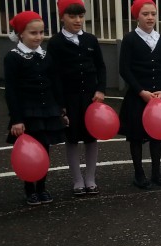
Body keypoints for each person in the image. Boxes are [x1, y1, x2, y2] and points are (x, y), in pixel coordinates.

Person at [4, 11, 66, 206]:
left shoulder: (46, 56)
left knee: (44, 149)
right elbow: (11, 90)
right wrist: (17, 119)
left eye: (41, 32)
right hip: (27, 112)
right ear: (21, 34)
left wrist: (61, 109)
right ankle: (29, 188)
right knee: (28, 152)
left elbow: (55, 83)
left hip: (47, 110)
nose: (38, 37)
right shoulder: (13, 57)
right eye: (33, 33)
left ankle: (42, 187)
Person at [47, 0, 107, 196]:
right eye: (72, 16)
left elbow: (100, 66)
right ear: (62, 17)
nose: (77, 20)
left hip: (90, 98)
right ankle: (77, 180)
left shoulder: (90, 40)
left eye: (80, 16)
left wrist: (100, 89)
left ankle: (90, 178)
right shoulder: (55, 43)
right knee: (72, 138)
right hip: (69, 98)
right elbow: (54, 75)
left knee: (91, 137)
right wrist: (60, 104)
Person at [118, 0, 161, 189]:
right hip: (138, 96)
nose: (150, 17)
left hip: (159, 98)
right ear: (137, 16)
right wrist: (140, 91)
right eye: (145, 14)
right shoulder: (129, 39)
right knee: (136, 137)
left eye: (153, 14)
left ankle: (156, 172)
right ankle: (139, 174)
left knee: (157, 136)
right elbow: (124, 69)